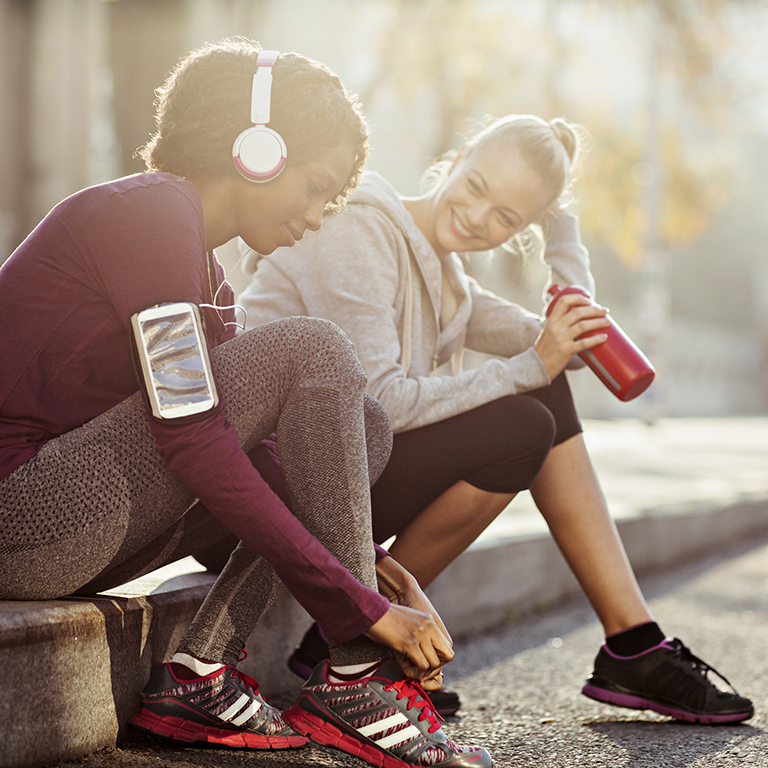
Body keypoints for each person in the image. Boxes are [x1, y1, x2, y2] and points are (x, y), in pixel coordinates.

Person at [0, 38, 494, 768]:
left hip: (78, 525)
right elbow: (191, 440)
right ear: (256, 151)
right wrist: (360, 612)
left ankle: (198, 673)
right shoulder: (146, 215)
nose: (321, 214)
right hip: (22, 515)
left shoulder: (207, 275)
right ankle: (355, 676)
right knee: (314, 348)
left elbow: (263, 462)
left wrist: (377, 569)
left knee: (362, 426)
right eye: (318, 185)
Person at [237, 113, 754, 725]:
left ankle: (632, 641)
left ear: (523, 229)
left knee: (545, 392)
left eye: (508, 217)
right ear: (455, 159)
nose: (480, 218)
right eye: (477, 186)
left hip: (333, 484)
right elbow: (380, 400)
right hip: (258, 493)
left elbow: (569, 346)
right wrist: (533, 363)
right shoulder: (359, 226)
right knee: (523, 421)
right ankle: (345, 638)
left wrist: (562, 234)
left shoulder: (450, 283)